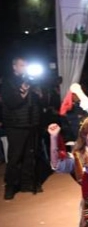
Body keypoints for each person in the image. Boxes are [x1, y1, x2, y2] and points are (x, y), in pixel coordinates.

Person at [2, 57, 44, 200]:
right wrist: (24, 89)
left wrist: (39, 93)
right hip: (16, 124)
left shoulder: (33, 81)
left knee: (30, 155)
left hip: (32, 123)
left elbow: (41, 102)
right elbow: (12, 102)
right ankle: (10, 186)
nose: (25, 67)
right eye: (22, 65)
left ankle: (27, 183)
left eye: (26, 65)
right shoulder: (8, 81)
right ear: (14, 66)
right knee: (15, 157)